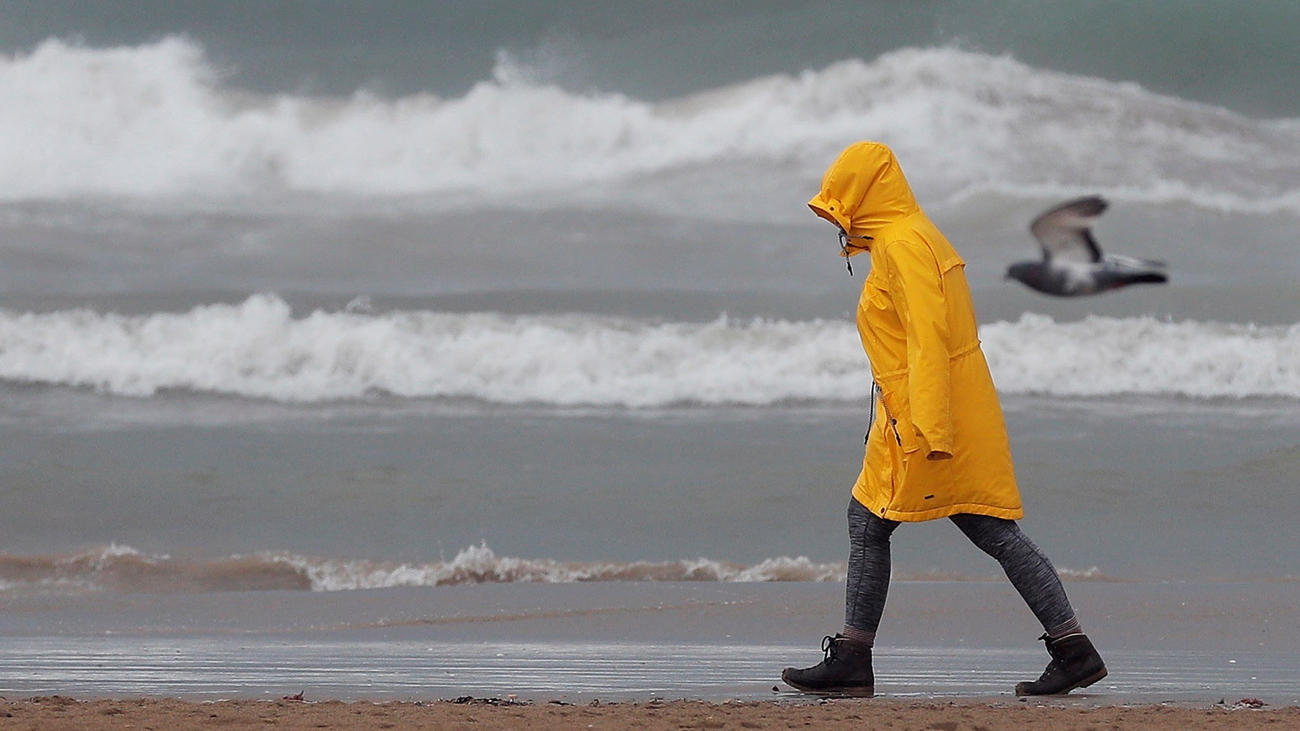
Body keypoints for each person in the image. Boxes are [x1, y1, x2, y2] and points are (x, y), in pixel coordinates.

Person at [781, 141, 1107, 697]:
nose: (838, 219)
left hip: (928, 415)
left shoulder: (905, 244)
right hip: (921, 410)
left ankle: (857, 657)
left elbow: (930, 340)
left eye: (843, 203)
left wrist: (930, 427)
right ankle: (1070, 649)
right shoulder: (906, 237)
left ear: (865, 194)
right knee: (920, 523)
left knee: (955, 527)